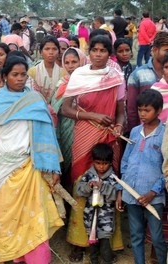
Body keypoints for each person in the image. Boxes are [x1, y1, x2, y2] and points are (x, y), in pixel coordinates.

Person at [0, 55, 63, 264]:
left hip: (30, 166)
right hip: (2, 168)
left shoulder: (34, 100)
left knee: (34, 217)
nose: (19, 78)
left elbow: (48, 136)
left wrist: (54, 168)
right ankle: (17, 258)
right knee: (8, 216)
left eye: (23, 74)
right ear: (5, 76)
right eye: (14, 75)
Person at [63, 35, 125, 261]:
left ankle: (108, 242)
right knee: (82, 184)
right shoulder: (79, 74)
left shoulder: (116, 76)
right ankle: (79, 242)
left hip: (109, 135)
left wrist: (119, 125)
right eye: (94, 50)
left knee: (108, 184)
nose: (98, 54)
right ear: (88, 52)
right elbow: (66, 109)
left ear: (110, 54)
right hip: (85, 132)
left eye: (103, 50)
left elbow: (120, 109)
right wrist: (92, 116)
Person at [119, 89, 167, 264]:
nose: (142, 114)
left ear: (159, 110)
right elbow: (125, 162)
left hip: (153, 197)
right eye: (140, 110)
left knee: (156, 237)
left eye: (147, 110)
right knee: (136, 235)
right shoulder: (134, 131)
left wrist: (153, 192)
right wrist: (121, 190)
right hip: (132, 194)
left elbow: (166, 169)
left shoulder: (165, 134)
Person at [76, 143, 118, 264]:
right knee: (92, 243)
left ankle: (107, 261)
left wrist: (103, 187)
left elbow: (115, 195)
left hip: (106, 219)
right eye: (98, 163)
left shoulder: (113, 177)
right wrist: (89, 186)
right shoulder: (88, 175)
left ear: (110, 163)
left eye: (105, 163)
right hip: (89, 217)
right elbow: (79, 191)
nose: (101, 167)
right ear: (93, 162)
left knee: (105, 244)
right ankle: (93, 260)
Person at [50, 48, 87, 184]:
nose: (71, 66)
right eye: (67, 62)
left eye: (74, 62)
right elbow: (53, 106)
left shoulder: (89, 81)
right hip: (64, 128)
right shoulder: (62, 83)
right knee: (65, 163)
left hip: (83, 128)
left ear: (82, 61)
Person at [127, 32, 168, 132]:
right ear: (155, 50)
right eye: (166, 50)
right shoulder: (138, 75)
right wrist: (135, 134)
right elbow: (132, 109)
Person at [28, 36, 64, 103]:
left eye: (54, 49)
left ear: (58, 52)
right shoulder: (32, 72)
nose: (51, 52)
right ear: (41, 52)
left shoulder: (63, 73)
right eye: (47, 49)